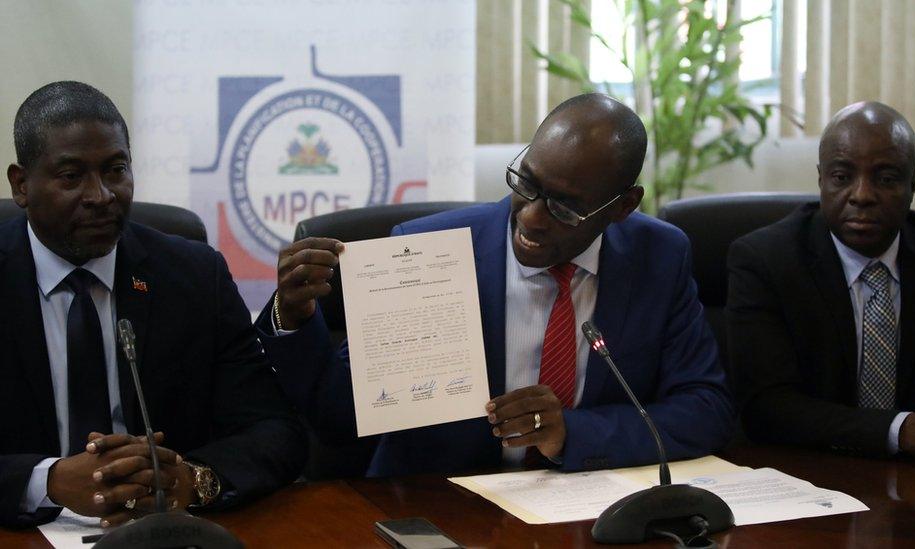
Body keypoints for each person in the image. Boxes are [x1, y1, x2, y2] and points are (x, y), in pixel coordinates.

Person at [257, 93, 734, 476]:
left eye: (564, 207)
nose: (529, 217)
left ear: (622, 206)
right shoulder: (428, 250)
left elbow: (704, 409)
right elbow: (341, 419)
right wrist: (295, 318)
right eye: (525, 183)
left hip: (589, 508)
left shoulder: (659, 257)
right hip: (441, 508)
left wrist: (572, 433)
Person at [0, 81, 307, 528]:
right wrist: (46, 481)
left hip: (164, 530)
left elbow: (276, 431)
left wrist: (192, 480)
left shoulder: (194, 276)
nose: (101, 195)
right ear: (22, 185)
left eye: (115, 169)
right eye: (71, 176)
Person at [727, 101, 915, 458]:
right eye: (842, 177)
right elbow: (765, 407)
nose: (862, 196)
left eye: (886, 179)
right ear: (821, 179)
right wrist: (899, 430)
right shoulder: (766, 261)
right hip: (814, 472)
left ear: (913, 184)